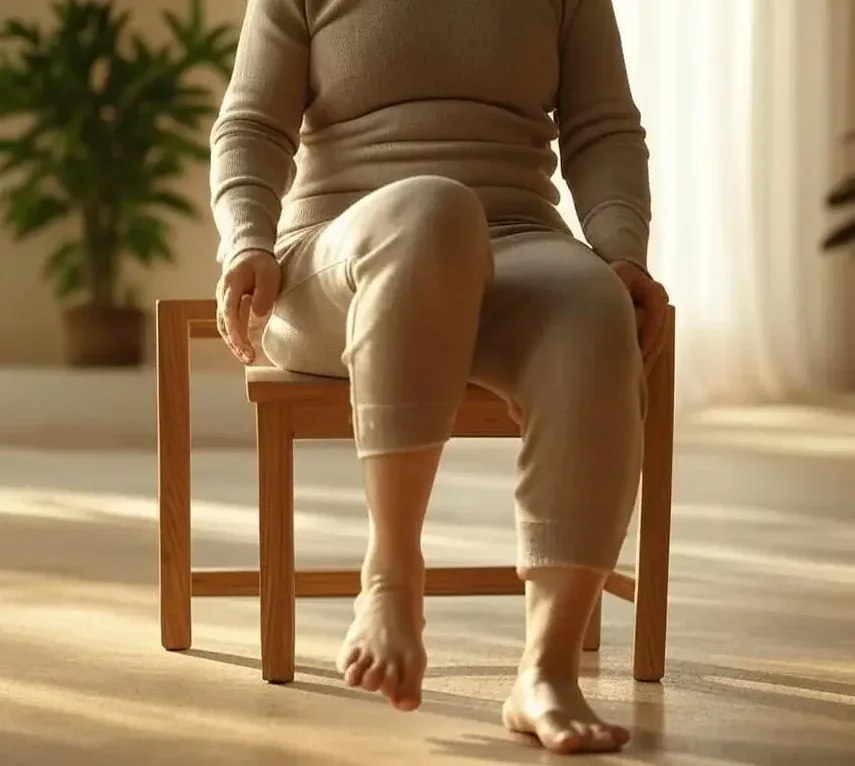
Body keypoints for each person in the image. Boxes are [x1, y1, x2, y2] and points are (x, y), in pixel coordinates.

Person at [211, 0, 669, 756]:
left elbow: (603, 128)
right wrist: (246, 239)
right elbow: (251, 126)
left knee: (591, 305)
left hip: (518, 240)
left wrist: (620, 251)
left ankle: (545, 672)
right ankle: (391, 571)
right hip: (340, 257)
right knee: (432, 208)